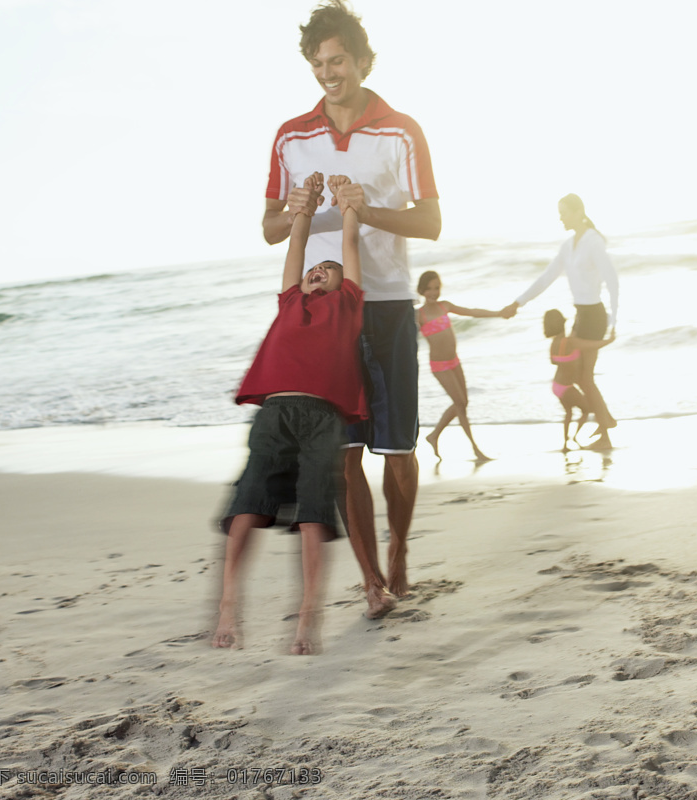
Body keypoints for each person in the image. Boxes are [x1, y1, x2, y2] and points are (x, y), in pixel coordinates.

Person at [263, 1, 441, 614]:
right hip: (323, 315)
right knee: (341, 454)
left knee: (397, 449)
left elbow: (431, 221)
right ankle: (371, 583)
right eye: (318, 63)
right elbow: (268, 228)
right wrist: (297, 211)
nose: (328, 73)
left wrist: (365, 211)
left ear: (362, 61)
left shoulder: (401, 129)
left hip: (388, 304)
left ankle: (398, 554)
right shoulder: (290, 136)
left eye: (338, 61)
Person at [214, 172, 364, 655]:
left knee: (315, 510)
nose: (318, 269)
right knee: (248, 501)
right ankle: (227, 605)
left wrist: (346, 206)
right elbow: (296, 241)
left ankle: (307, 617)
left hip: (322, 417)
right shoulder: (290, 300)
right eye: (313, 268)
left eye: (329, 268)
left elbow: (349, 241)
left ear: (344, 284)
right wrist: (304, 207)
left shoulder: (347, 305)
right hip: (275, 412)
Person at [502, 194, 619, 449]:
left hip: (595, 316)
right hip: (582, 314)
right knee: (581, 376)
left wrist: (613, 319)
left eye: (564, 212)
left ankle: (606, 428)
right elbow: (546, 278)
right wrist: (518, 302)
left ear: (578, 212)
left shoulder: (593, 241)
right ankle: (605, 422)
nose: (560, 217)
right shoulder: (568, 246)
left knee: (585, 377)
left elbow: (612, 279)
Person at [416, 271, 508, 461]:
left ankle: (433, 436)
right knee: (460, 403)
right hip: (439, 366)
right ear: (422, 290)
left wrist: (499, 313)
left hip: (454, 361)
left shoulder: (445, 306)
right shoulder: (419, 314)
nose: (433, 292)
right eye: (429, 289)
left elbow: (472, 312)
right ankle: (475, 449)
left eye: (436, 288)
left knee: (463, 402)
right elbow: (406, 338)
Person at [543, 309, 615, 453]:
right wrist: (609, 340)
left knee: (569, 413)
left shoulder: (554, 343)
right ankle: (575, 437)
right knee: (587, 409)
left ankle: (566, 444)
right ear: (563, 322)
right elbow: (592, 345)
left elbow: (553, 362)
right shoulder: (570, 341)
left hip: (557, 386)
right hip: (567, 386)